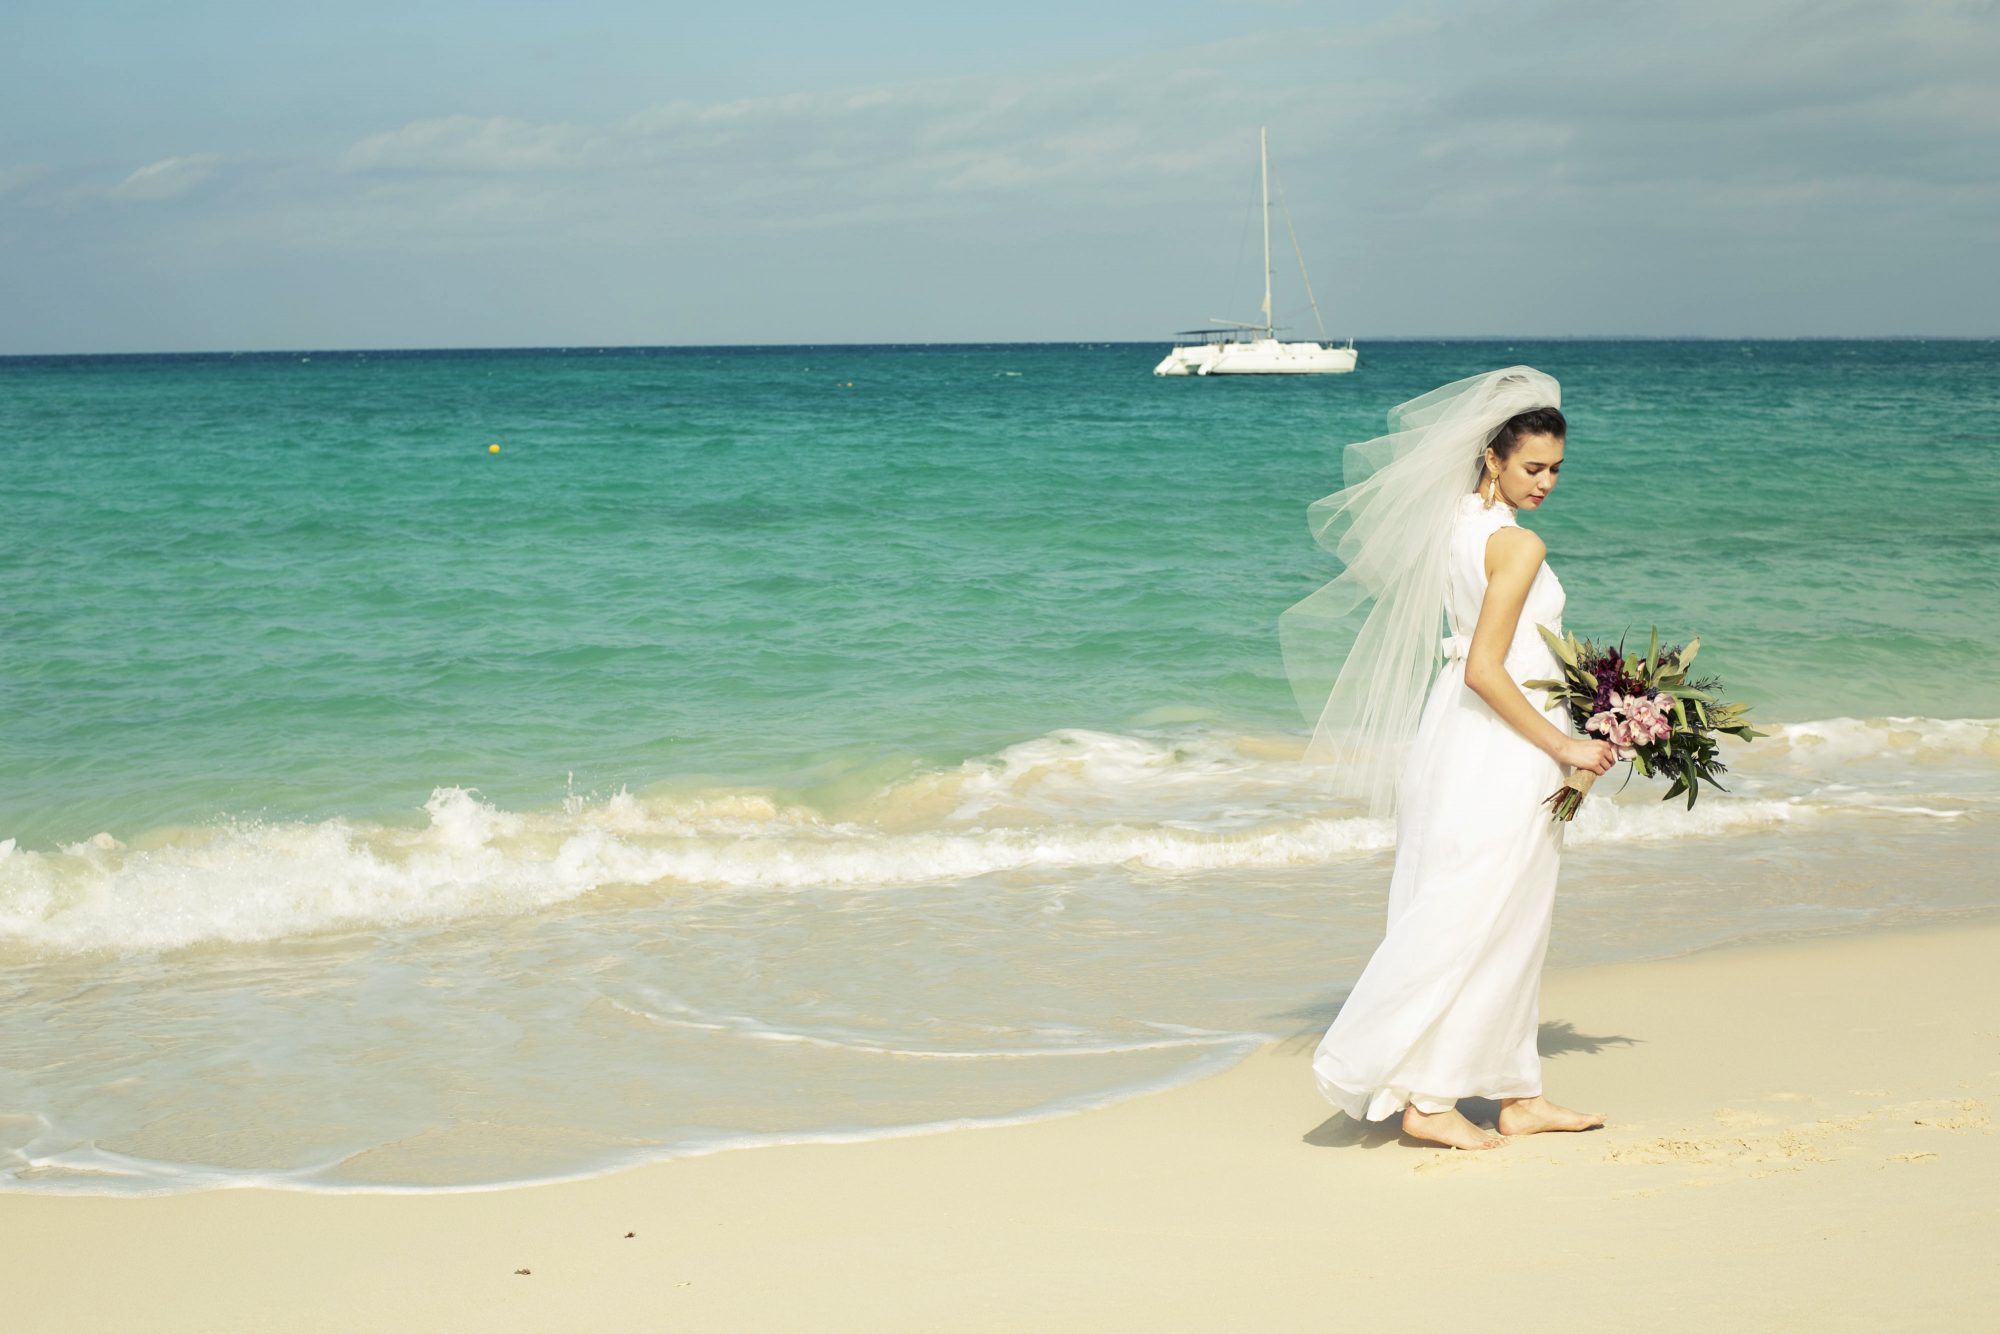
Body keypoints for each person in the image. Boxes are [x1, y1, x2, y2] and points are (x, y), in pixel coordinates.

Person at [1278, 367, 1616, 1151]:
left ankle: (1515, 1092)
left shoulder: (1453, 526)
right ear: (1491, 458)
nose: (1547, 484)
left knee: (1503, 910)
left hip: (1455, 737)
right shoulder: (1518, 546)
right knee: (1468, 913)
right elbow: (1487, 667)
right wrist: (1567, 742)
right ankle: (1426, 1101)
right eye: (1533, 467)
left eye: (1557, 470)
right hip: (1503, 743)